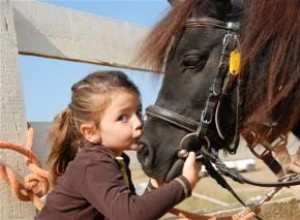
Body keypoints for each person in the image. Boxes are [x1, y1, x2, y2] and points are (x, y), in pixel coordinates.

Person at [35, 70, 201, 220]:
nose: (138, 123)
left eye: (138, 112)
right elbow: (130, 215)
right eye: (122, 117)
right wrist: (184, 184)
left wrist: (154, 187)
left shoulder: (116, 159)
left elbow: (124, 209)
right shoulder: (92, 164)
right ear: (90, 132)